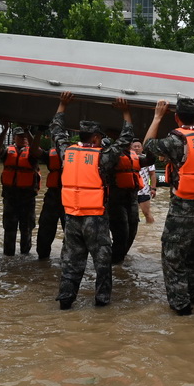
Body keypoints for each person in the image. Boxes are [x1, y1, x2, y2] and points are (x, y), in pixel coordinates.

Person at [50, 93, 134, 309]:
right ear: (96, 138)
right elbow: (126, 139)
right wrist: (125, 111)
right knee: (102, 264)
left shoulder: (66, 152)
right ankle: (101, 304)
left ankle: (66, 303)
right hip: (95, 220)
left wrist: (63, 104)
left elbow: (57, 130)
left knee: (71, 264)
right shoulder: (103, 157)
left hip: (72, 219)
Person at [144, 97, 194, 315]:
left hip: (183, 208)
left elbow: (148, 147)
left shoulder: (176, 140)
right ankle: (193, 295)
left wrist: (158, 117)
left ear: (176, 118)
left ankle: (181, 306)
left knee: (173, 256)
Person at [0, 123, 41, 256]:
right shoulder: (7, 152)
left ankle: (25, 257)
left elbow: (35, 148)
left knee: (26, 229)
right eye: (20, 137)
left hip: (27, 198)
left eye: (25, 136)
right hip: (10, 198)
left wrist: (28, 130)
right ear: (14, 138)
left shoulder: (33, 154)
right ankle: (8, 258)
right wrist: (4, 130)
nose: (24, 138)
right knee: (9, 230)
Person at [108, 135, 153, 264]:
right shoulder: (112, 156)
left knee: (132, 230)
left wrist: (149, 145)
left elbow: (150, 160)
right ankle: (115, 262)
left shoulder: (136, 158)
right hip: (115, 200)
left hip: (132, 198)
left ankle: (119, 258)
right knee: (122, 232)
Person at [36, 134, 65, 261]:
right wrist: (36, 133)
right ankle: (42, 259)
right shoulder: (49, 154)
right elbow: (34, 151)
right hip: (52, 195)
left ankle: (67, 259)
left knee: (71, 231)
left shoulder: (76, 153)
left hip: (70, 196)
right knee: (45, 229)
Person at [133, 139, 157, 224]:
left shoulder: (147, 159)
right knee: (132, 215)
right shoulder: (127, 158)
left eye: (138, 146)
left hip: (144, 190)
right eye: (134, 147)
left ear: (142, 148)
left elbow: (153, 175)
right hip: (131, 191)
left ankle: (150, 229)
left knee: (146, 213)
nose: (136, 148)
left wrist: (153, 188)